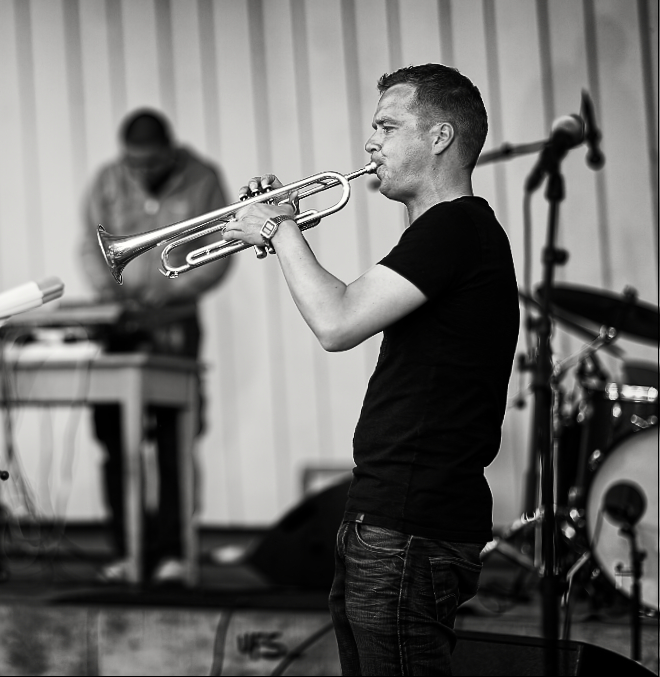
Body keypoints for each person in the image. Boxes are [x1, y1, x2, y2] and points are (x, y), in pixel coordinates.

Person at [222, 64, 518, 675]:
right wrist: (287, 230)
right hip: (391, 518)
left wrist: (279, 228)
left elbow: (338, 320)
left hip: (410, 525)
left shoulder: (457, 228)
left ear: (439, 137)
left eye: (387, 125)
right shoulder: (443, 234)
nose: (369, 143)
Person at [79, 108, 232, 583]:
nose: (140, 173)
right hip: (122, 324)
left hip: (174, 322)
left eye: (150, 163)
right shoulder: (107, 179)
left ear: (170, 150)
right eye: (133, 163)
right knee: (115, 442)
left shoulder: (203, 178)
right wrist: (108, 291)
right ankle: (129, 551)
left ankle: (172, 552)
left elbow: (224, 246)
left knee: (174, 441)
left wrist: (176, 286)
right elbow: (90, 245)